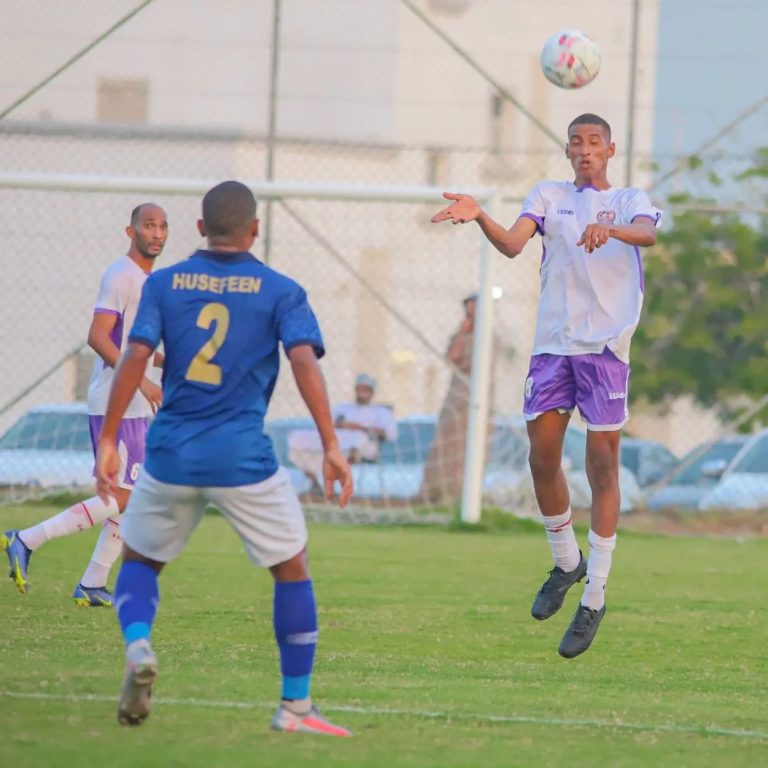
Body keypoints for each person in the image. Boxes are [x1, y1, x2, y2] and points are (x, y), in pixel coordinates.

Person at [95, 181, 353, 735]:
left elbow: (134, 355)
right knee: (292, 568)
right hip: (241, 456)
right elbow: (304, 362)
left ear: (198, 229)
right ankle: (295, 707)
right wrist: (331, 445)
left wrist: (110, 440)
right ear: (255, 230)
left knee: (139, 561)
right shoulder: (281, 290)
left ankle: (139, 645)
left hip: (171, 452)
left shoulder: (164, 283)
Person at [432, 114, 661, 658]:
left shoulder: (628, 200)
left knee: (602, 467)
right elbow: (514, 244)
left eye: (595, 142)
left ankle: (594, 596)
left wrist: (611, 229)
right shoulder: (548, 195)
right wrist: (481, 215)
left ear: (610, 149)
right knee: (542, 457)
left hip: (604, 349)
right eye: (576, 142)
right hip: (553, 346)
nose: (585, 149)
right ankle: (566, 563)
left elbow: (648, 234)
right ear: (567, 150)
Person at [1, 204, 167, 605]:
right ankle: (27, 539)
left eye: (163, 226)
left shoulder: (148, 280)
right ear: (130, 231)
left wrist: (168, 363)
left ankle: (92, 583)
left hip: (132, 401)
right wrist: (141, 380)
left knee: (133, 496)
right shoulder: (121, 274)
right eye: (149, 225)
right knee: (127, 495)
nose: (157, 233)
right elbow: (97, 337)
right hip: (116, 399)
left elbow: (134, 346)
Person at [420, 293, 489, 502]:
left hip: (483, 399)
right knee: (448, 443)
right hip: (459, 397)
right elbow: (451, 359)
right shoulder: (460, 336)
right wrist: (462, 332)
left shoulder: (489, 336)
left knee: (475, 447)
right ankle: (437, 492)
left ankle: (468, 495)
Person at [288, 373, 397, 487]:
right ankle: (315, 483)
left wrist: (358, 427)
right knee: (297, 438)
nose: (361, 392)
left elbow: (389, 434)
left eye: (365, 389)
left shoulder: (381, 412)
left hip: (365, 444)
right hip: (335, 439)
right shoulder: (342, 408)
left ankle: (339, 482)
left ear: (371, 392)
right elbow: (327, 424)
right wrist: (341, 426)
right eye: (359, 389)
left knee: (356, 441)